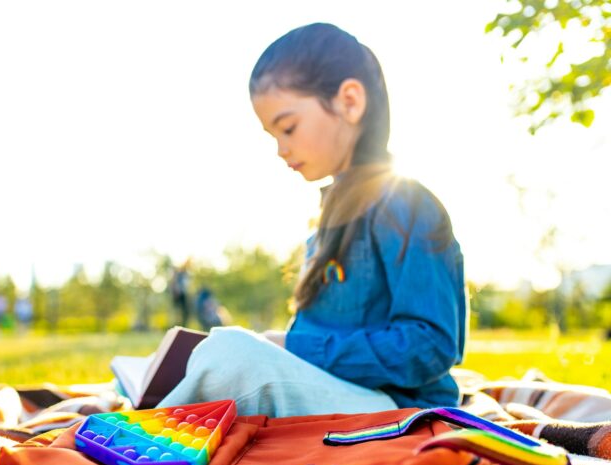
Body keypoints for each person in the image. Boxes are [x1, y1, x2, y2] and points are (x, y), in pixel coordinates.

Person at [158, 23, 465, 417]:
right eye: (273, 135)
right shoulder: (329, 216)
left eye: (287, 128)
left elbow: (432, 345)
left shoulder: (405, 203)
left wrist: (293, 347)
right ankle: (154, 423)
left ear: (350, 102)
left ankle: (136, 442)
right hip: (342, 393)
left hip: (399, 409)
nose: (280, 149)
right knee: (201, 356)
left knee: (232, 354)